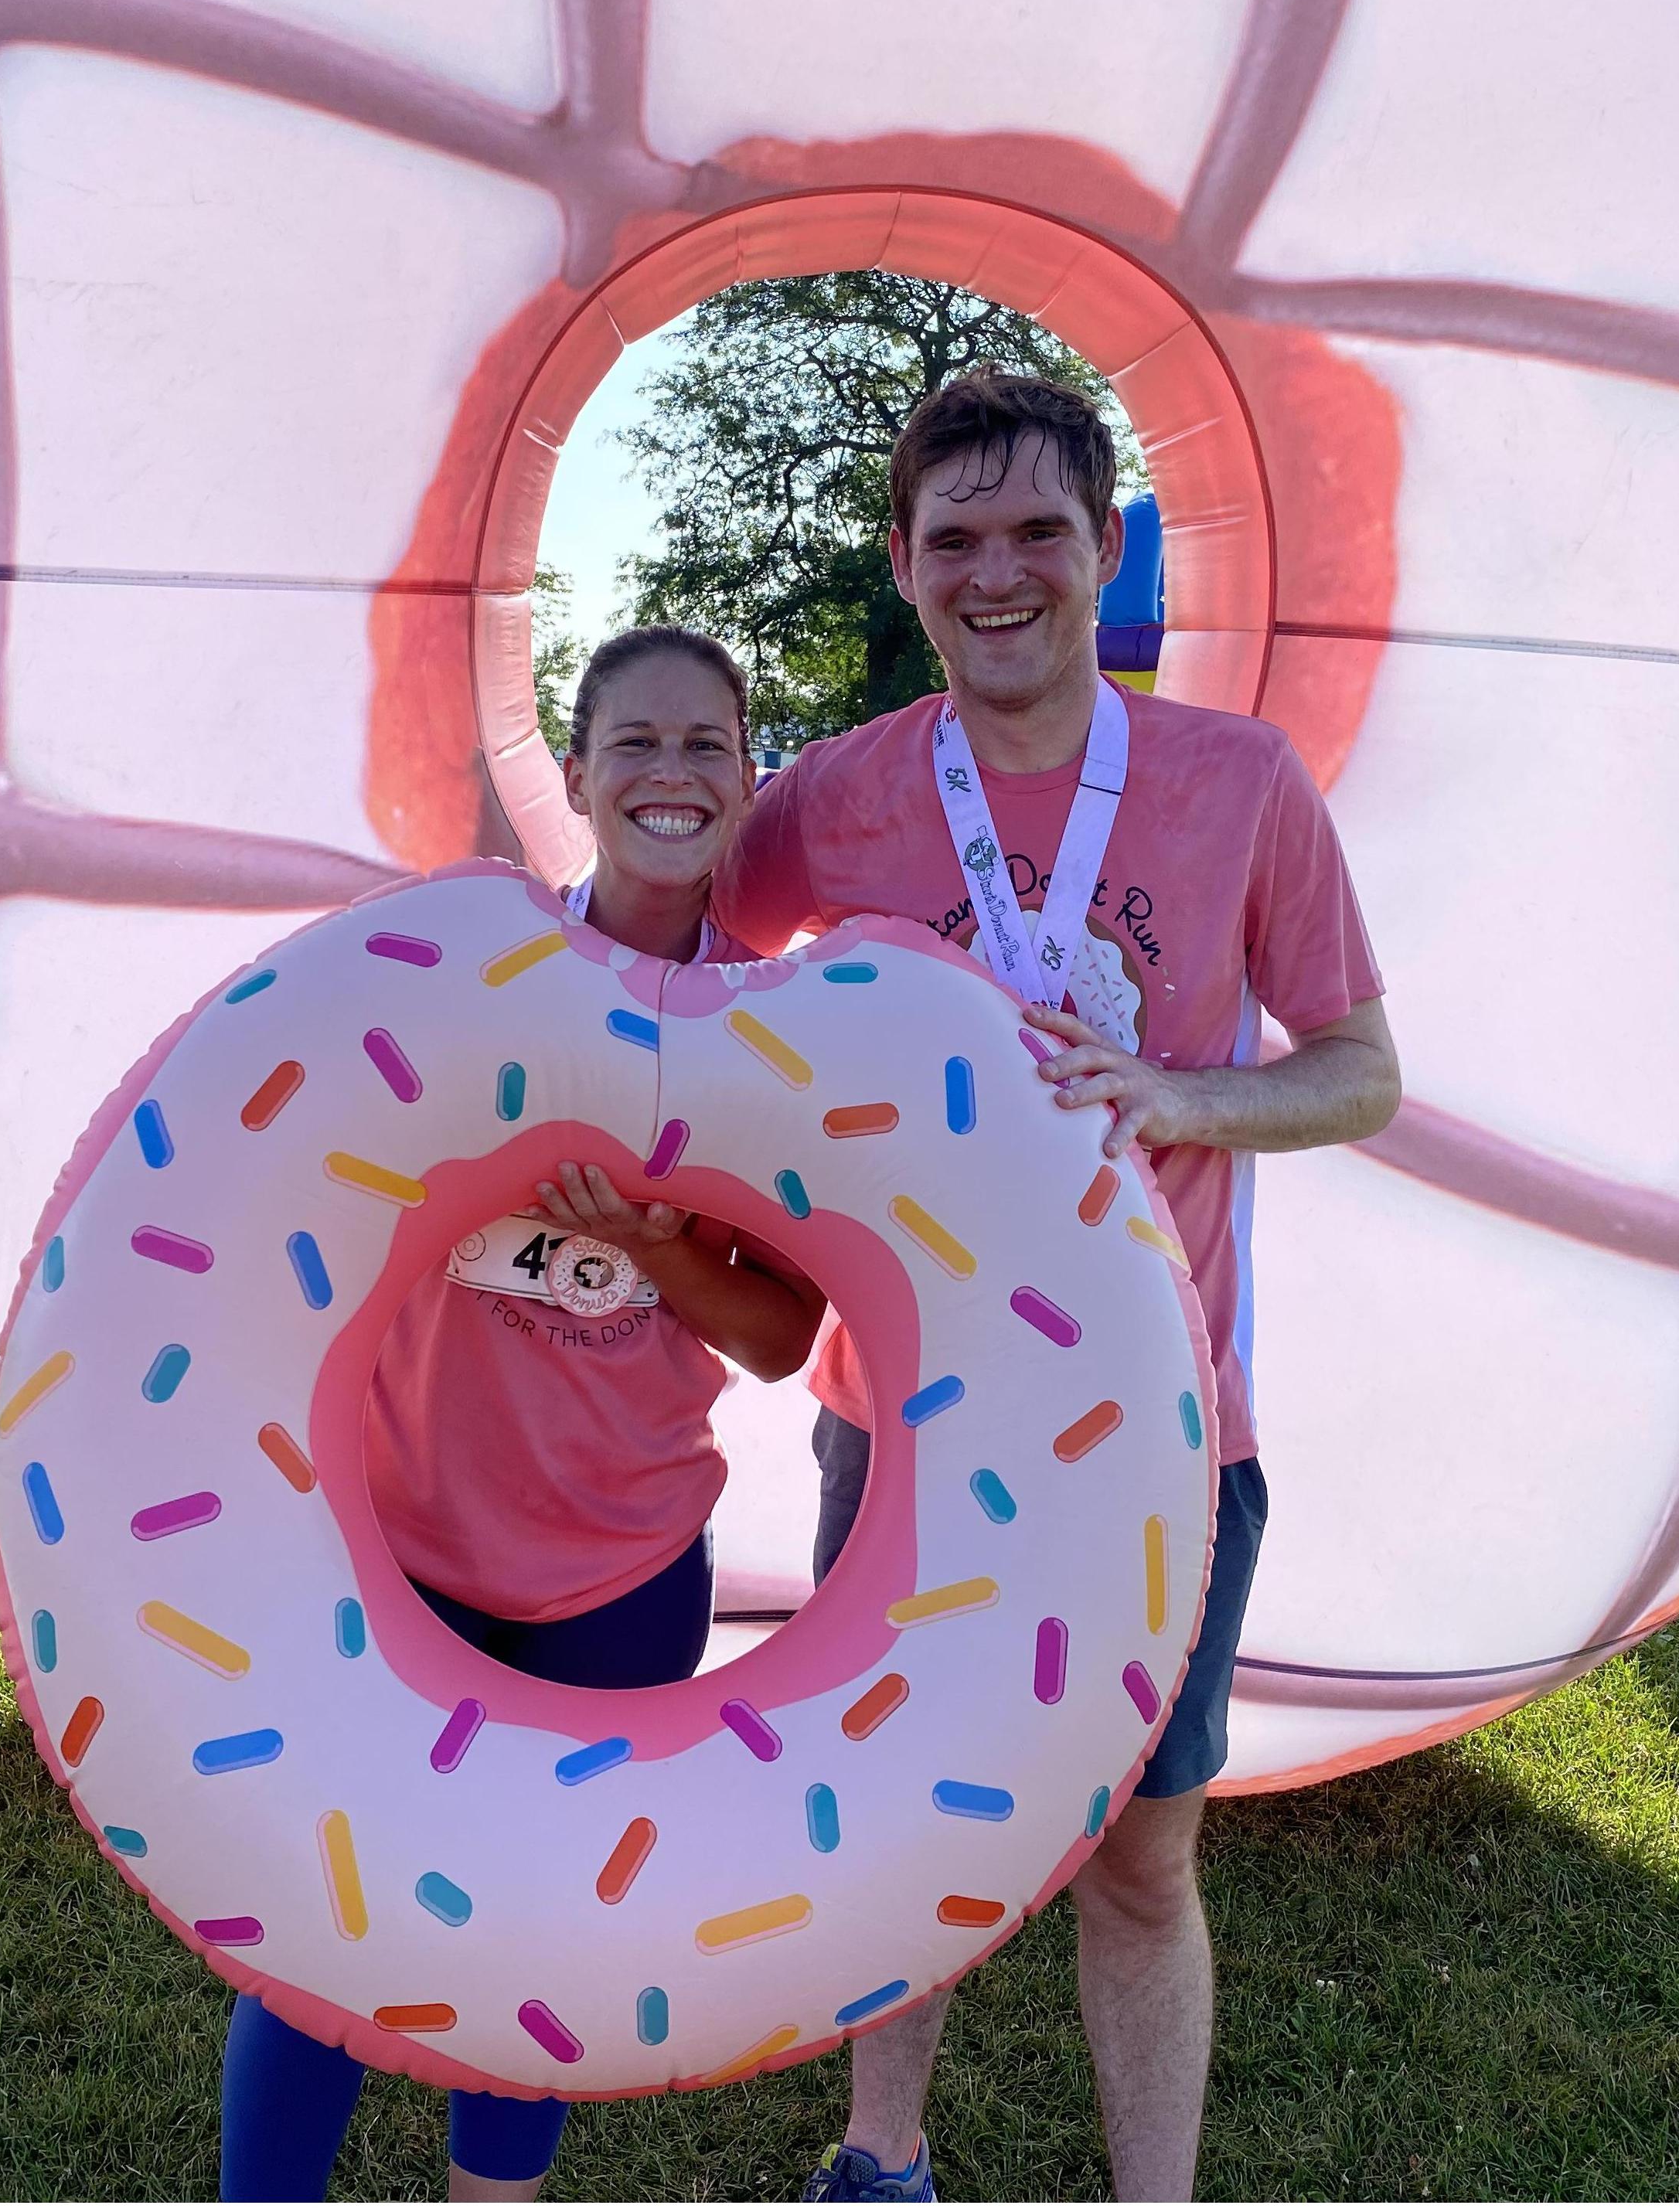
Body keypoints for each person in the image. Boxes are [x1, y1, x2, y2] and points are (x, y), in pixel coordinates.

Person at [715, 370, 1401, 2203]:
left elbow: (1358, 1070)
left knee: (1138, 1858)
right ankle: (878, 2159)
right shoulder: (838, 794)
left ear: (1104, 547)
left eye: (1037, 531)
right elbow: (688, 977)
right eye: (956, 539)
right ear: (902, 562)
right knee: (898, 1810)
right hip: (901, 1419)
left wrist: (1179, 1095)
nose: (995, 572)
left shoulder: (1237, 783)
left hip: (1158, 1435)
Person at [220, 626, 826, 2203]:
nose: (671, 773)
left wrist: (659, 1247)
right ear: (575, 770)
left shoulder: (772, 1033)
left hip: (620, 1575)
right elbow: (306, 1203)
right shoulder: (465, 974)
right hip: (406, 1552)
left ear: (747, 774)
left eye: (706, 744)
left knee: (534, 1931)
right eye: (635, 741)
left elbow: (783, 1337)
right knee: (327, 1920)